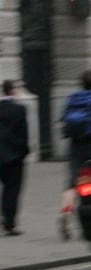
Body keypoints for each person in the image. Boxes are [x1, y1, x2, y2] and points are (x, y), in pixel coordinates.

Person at [59, 69, 91, 240]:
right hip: (90, 144)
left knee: (71, 183)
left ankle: (66, 212)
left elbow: (63, 120)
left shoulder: (72, 99)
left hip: (74, 145)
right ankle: (89, 221)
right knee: (90, 181)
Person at [0, 79, 30, 236]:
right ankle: (10, 224)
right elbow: (24, 134)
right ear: (13, 91)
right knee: (12, 190)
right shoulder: (19, 109)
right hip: (14, 157)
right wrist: (24, 152)